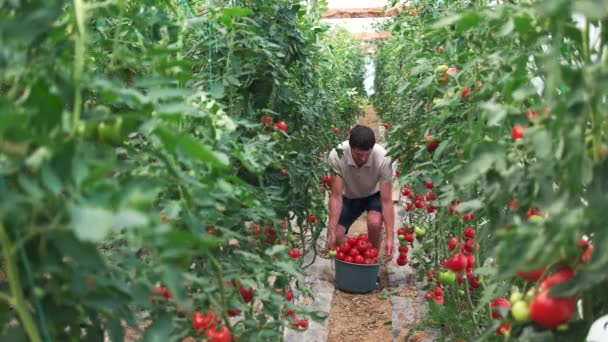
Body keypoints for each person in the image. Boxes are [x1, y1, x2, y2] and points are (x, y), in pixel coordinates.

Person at [326, 125, 395, 258]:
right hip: (349, 195)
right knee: (337, 234)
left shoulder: (384, 158)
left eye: (367, 154)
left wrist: (390, 237)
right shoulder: (337, 154)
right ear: (350, 146)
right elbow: (336, 195)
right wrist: (331, 229)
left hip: (373, 194)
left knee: (374, 223)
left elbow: (386, 201)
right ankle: (348, 260)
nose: (362, 158)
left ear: (372, 148)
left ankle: (372, 257)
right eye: (358, 154)